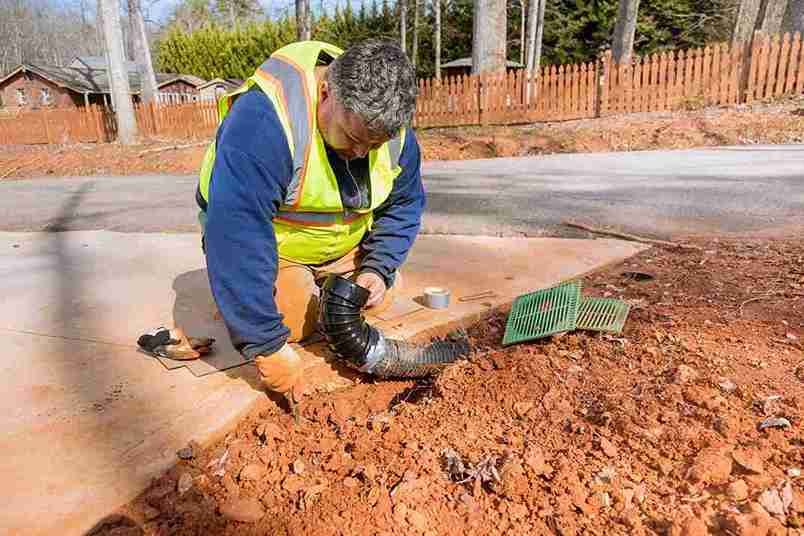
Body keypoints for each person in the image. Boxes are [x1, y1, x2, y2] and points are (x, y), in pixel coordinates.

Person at [195, 39, 424, 411]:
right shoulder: (264, 122)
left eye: (374, 144)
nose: (361, 153)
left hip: (341, 244)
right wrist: (265, 344)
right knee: (290, 321)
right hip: (270, 246)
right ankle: (237, 294)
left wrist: (378, 268)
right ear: (325, 92)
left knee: (386, 292)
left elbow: (404, 205)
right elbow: (238, 232)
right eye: (353, 139)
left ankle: (330, 282)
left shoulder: (393, 131)